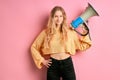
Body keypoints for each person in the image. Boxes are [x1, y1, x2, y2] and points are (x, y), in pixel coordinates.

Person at [30, 6, 92, 80]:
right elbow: (33, 47)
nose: (58, 19)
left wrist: (85, 31)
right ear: (52, 18)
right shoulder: (46, 32)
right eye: (56, 16)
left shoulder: (70, 31)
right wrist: (42, 61)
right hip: (53, 65)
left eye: (60, 16)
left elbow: (83, 46)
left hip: (67, 64)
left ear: (63, 17)